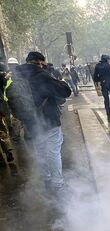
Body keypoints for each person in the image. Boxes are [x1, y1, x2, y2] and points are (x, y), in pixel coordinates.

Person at [13, 52, 71, 192]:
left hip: (30, 121)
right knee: (53, 151)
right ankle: (57, 183)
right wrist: (62, 81)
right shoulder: (41, 75)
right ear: (39, 62)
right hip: (48, 119)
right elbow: (65, 92)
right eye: (42, 63)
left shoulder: (16, 76)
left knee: (40, 150)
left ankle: (46, 178)